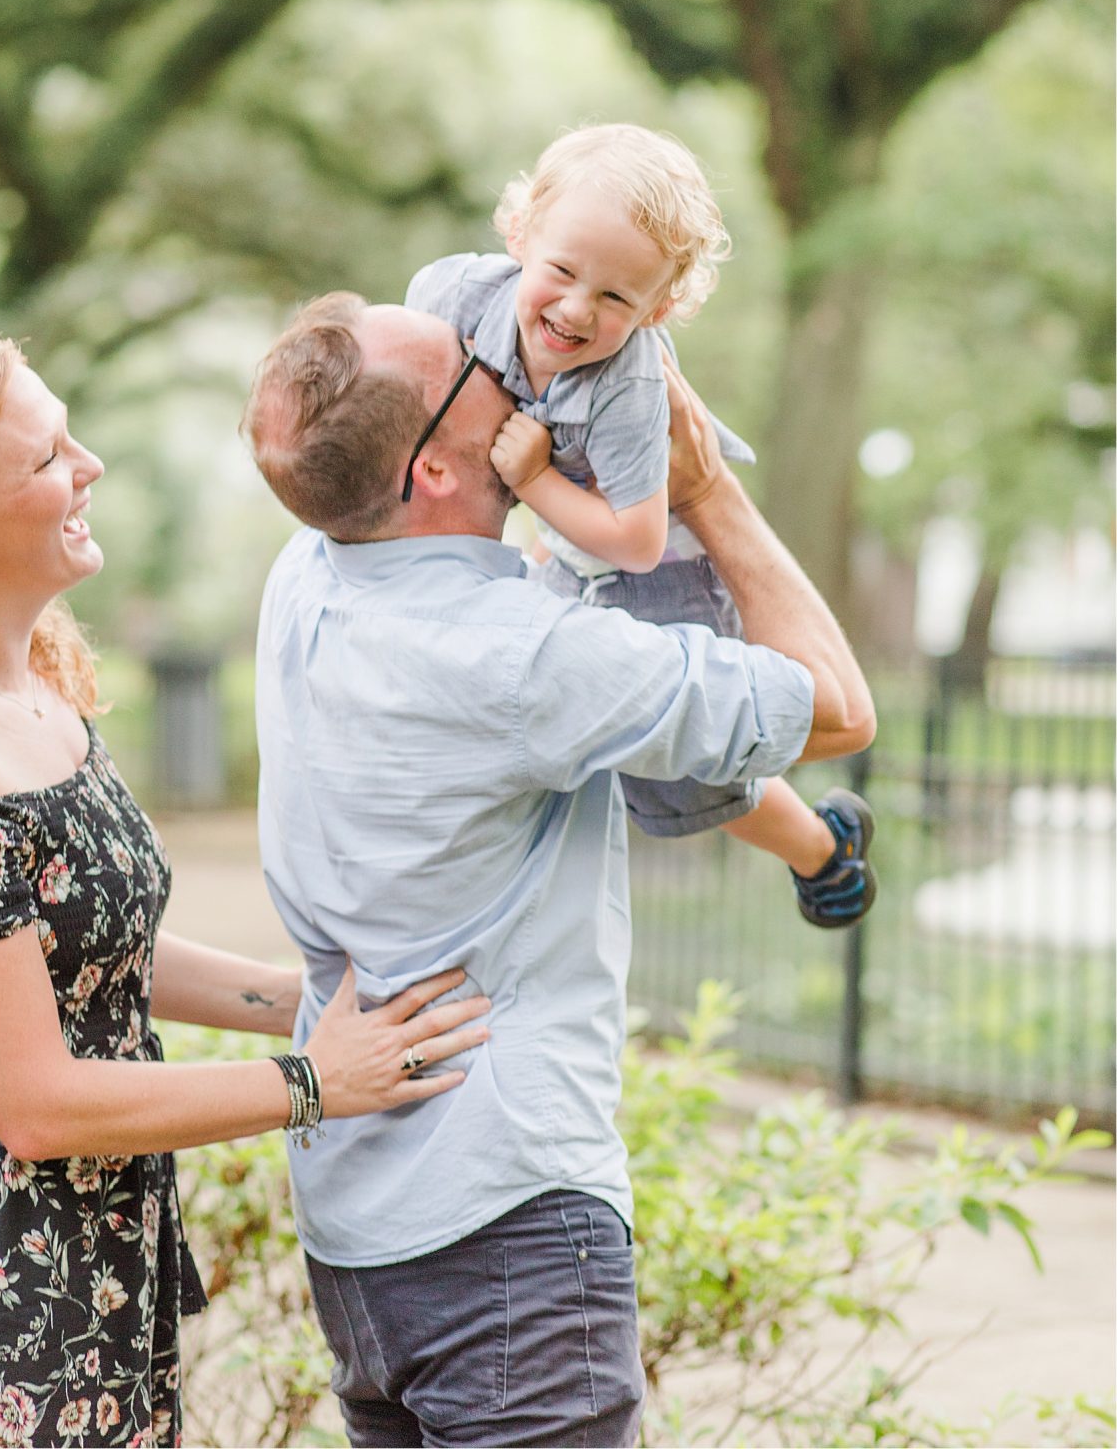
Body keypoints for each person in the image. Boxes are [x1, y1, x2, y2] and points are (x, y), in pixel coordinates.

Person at [0, 329, 491, 1449]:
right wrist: (312, 1078)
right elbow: (39, 1100)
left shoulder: (34, 680)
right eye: (47, 457)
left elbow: (90, 958)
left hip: (90, 1275)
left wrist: (304, 998)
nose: (89, 466)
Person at [242, 291, 875, 1447]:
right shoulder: (520, 659)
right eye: (476, 357)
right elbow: (836, 702)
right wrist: (701, 487)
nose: (510, 357)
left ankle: (823, 847)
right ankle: (826, 848)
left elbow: (368, 428)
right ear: (434, 467)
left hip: (356, 1237)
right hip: (509, 1236)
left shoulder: (310, 569)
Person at [405, 123, 876, 929]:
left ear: (659, 306)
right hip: (569, 543)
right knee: (556, 718)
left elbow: (637, 537)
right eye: (561, 270)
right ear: (521, 233)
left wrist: (536, 479)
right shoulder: (452, 298)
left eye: (618, 297)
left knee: (684, 763)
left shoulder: (628, 385)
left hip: (658, 562)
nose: (578, 308)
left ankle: (823, 849)